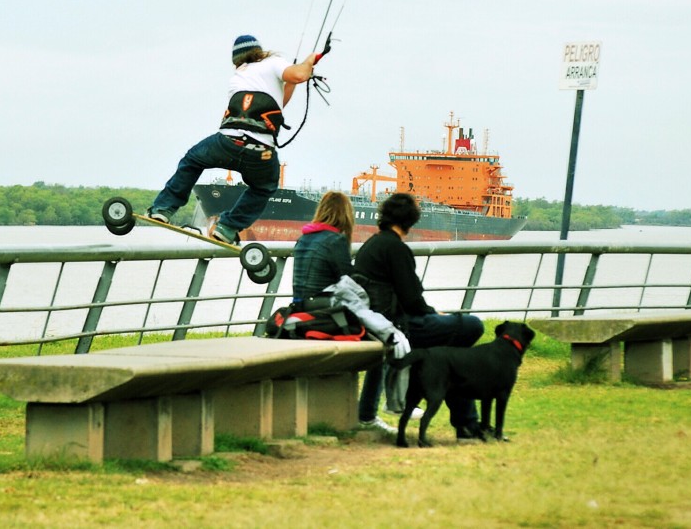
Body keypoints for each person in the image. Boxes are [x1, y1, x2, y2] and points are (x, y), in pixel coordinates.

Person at [148, 35, 320, 244]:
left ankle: (164, 208)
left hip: (227, 143)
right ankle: (228, 227)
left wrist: (290, 80)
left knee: (192, 160)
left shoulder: (238, 76)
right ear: (259, 51)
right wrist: (309, 60)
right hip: (261, 151)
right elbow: (300, 75)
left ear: (236, 59)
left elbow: (281, 97)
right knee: (264, 187)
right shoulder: (272, 63)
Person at [353, 192, 485, 440]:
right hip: (398, 326)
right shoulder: (396, 249)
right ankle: (467, 424)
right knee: (471, 326)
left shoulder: (371, 245)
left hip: (375, 323)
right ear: (411, 220)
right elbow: (413, 301)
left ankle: (467, 423)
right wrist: (436, 313)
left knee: (450, 353)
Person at [290, 191, 412, 435]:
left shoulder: (303, 239)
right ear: (346, 215)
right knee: (385, 338)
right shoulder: (335, 241)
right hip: (326, 314)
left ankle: (375, 409)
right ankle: (372, 412)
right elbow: (351, 280)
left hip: (300, 311)